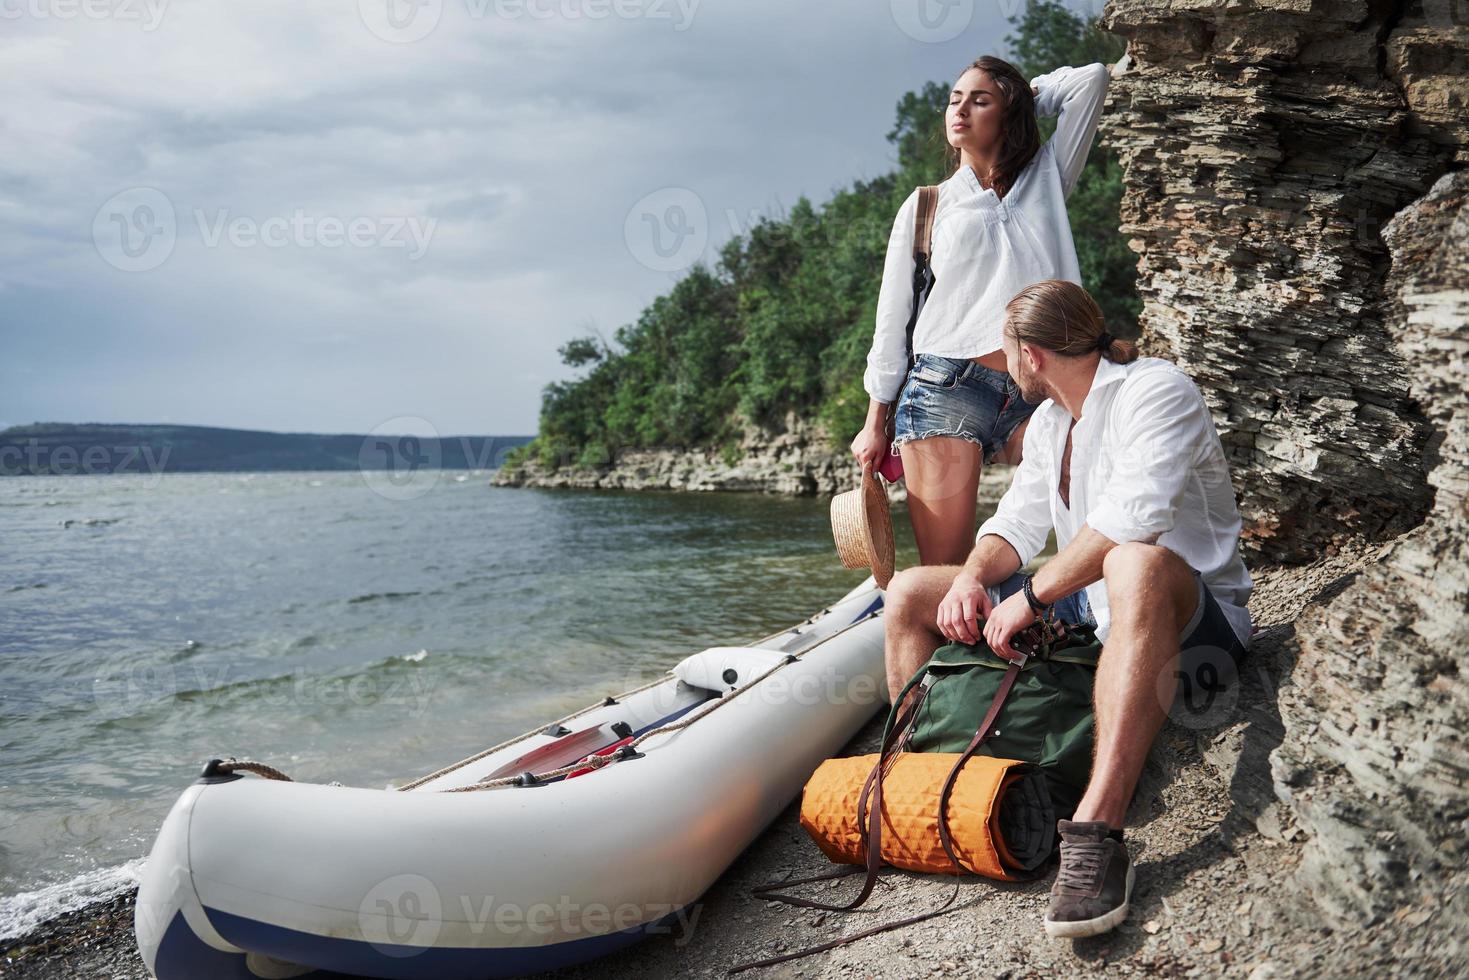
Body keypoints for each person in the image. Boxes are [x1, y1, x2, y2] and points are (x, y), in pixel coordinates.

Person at [880, 279, 1254, 939]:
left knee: (1131, 559)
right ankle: (917, 781)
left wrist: (1029, 597)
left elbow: (1133, 519)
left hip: (1192, 620)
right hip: (1089, 608)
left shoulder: (1156, 391)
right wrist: (970, 577)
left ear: (1031, 355)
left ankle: (1096, 832)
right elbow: (1014, 526)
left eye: (1004, 352)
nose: (1002, 366)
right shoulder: (1051, 422)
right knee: (911, 590)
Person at [851, 57, 1112, 567]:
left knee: (1089, 532)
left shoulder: (1048, 178)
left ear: (1009, 111)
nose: (961, 109)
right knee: (945, 570)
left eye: (979, 100)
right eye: (954, 99)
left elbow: (1093, 80)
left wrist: (1022, 95)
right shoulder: (926, 206)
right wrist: (874, 421)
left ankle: (1061, 629)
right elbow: (893, 320)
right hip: (945, 388)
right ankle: (950, 642)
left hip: (1046, 386)